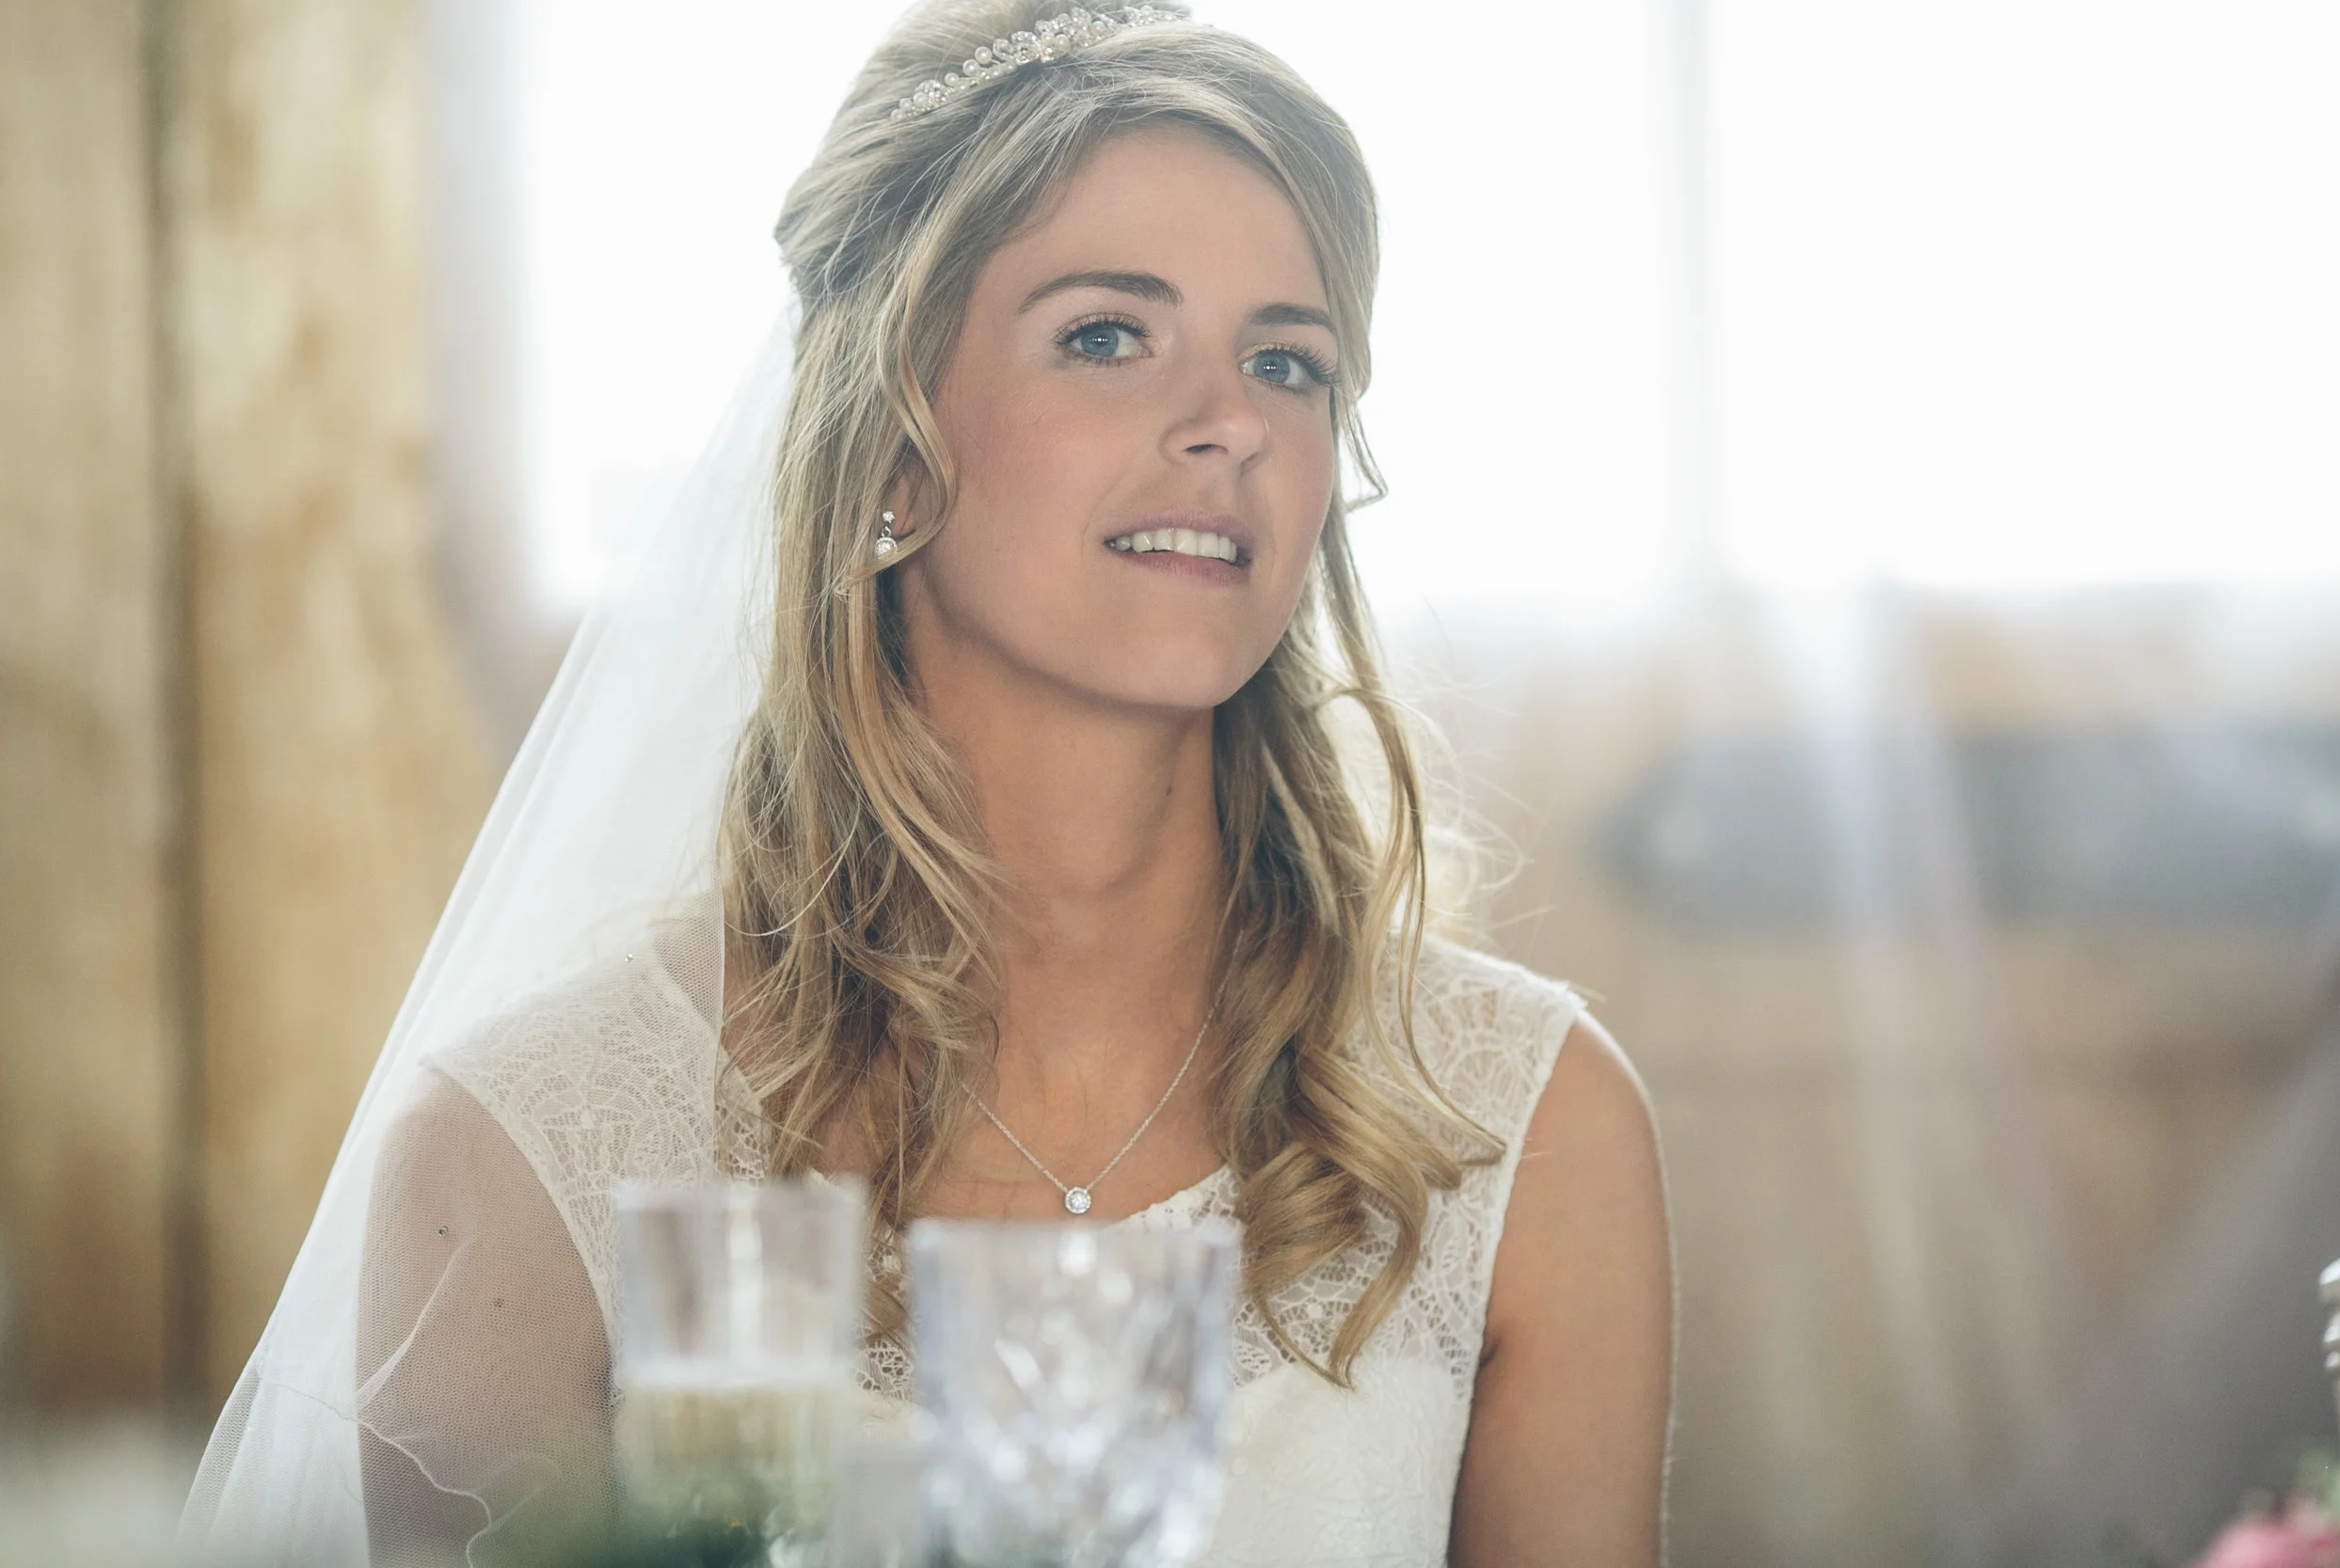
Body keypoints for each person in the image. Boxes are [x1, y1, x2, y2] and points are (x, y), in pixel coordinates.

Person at [181, 3, 1673, 1563]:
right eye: (1108, 336)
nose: (1234, 422)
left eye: (1287, 362)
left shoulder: (1528, 1128)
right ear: (892, 450)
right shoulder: (525, 1159)